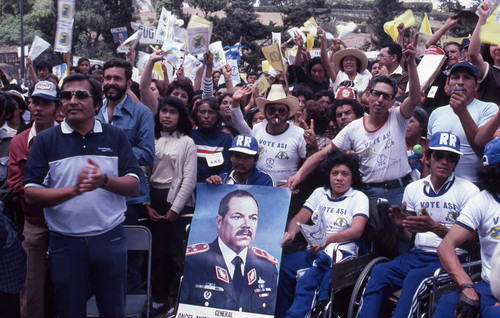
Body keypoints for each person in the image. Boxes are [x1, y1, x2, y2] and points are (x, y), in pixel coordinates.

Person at [22, 74, 141, 317]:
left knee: (113, 310)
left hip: (110, 239)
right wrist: (72, 190)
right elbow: (30, 191)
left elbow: (134, 185)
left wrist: (104, 181)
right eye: (66, 96)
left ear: (97, 104)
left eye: (81, 95)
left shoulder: (115, 136)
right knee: (69, 310)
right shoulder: (46, 140)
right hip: (65, 243)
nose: (72, 101)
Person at [288, 31, 421, 208]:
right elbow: (322, 154)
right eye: (376, 94)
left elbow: (414, 98)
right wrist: (299, 176)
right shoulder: (353, 128)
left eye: (386, 96)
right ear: (367, 95)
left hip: (399, 191)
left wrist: (411, 63)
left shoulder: (398, 118)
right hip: (368, 194)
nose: (380, 99)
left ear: (392, 101)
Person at [358, 132, 479, 318]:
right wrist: (401, 226)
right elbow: (407, 237)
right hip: (418, 254)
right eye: (439, 156)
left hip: (453, 259)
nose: (445, 162)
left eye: (451, 157)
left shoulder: (469, 191)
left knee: (415, 279)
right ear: (429, 158)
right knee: (380, 271)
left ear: (456, 163)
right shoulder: (414, 188)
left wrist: (435, 227)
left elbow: (470, 243)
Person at [277, 151, 369, 317]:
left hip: (340, 254)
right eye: (335, 173)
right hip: (314, 249)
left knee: (309, 279)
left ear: (352, 177)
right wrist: (291, 233)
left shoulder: (358, 197)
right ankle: (282, 313)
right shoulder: (320, 193)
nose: (339, 178)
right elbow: (299, 218)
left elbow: (357, 231)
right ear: (329, 175)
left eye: (344, 174)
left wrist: (328, 239)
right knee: (283, 266)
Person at [95, 58, 155, 293]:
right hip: (96, 197)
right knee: (98, 261)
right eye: (107, 78)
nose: (111, 82)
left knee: (128, 262)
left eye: (117, 78)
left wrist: (111, 154)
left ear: (128, 82)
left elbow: (147, 155)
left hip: (128, 201)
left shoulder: (142, 114)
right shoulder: (93, 111)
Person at [8, 80, 59, 318]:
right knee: (30, 290)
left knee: (69, 287)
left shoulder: (68, 138)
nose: (38, 108)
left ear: (57, 108)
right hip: (34, 224)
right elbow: (16, 185)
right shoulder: (19, 141)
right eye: (34, 102)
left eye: (45, 103)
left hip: (67, 226)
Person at [180, 189, 278, 314]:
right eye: (238, 217)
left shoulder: (267, 268)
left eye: (253, 218)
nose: (247, 225)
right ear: (219, 221)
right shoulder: (195, 262)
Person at [434, 137, 500, 318]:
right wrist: (466, 286)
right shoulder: (483, 200)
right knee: (448, 304)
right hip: (489, 286)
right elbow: (446, 246)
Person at [144, 96, 197, 306]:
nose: (167, 115)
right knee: (157, 253)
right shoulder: (151, 138)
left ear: (180, 116)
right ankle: (157, 297)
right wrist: (146, 204)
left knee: (176, 254)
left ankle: (175, 299)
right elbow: (145, 173)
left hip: (177, 202)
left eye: (172, 112)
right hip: (153, 200)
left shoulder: (187, 142)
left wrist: (175, 209)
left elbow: (189, 178)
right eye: (164, 111)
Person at [427, 61, 498, 184]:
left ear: (476, 86)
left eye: (467, 78)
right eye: (455, 77)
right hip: (440, 187)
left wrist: (462, 112)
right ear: (448, 85)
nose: (460, 82)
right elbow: (429, 154)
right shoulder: (436, 113)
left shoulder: (488, 109)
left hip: (474, 185)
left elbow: (481, 150)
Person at [230, 84, 307, 185]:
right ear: (265, 113)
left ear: (288, 114)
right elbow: (239, 124)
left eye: (281, 111)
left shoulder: (299, 133)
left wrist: (293, 183)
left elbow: (308, 164)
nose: (276, 113)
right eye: (271, 110)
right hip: (257, 186)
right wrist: (235, 102)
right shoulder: (257, 128)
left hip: (286, 190)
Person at [206, 134, 276, 186]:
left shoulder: (265, 181)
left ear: (255, 159)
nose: (241, 162)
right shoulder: (222, 179)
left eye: (247, 158)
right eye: (237, 156)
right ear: (231, 157)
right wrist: (211, 185)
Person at [191, 97, 233, 182]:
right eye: (202, 112)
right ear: (196, 114)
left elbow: (227, 168)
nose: (206, 116)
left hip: (214, 187)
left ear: (217, 115)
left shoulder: (225, 139)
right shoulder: (190, 137)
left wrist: (219, 177)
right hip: (190, 187)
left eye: (210, 112)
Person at [469, 1, 500, 106]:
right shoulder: (489, 71)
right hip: (489, 122)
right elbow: (473, 54)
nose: (498, 48)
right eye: (493, 44)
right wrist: (482, 18)